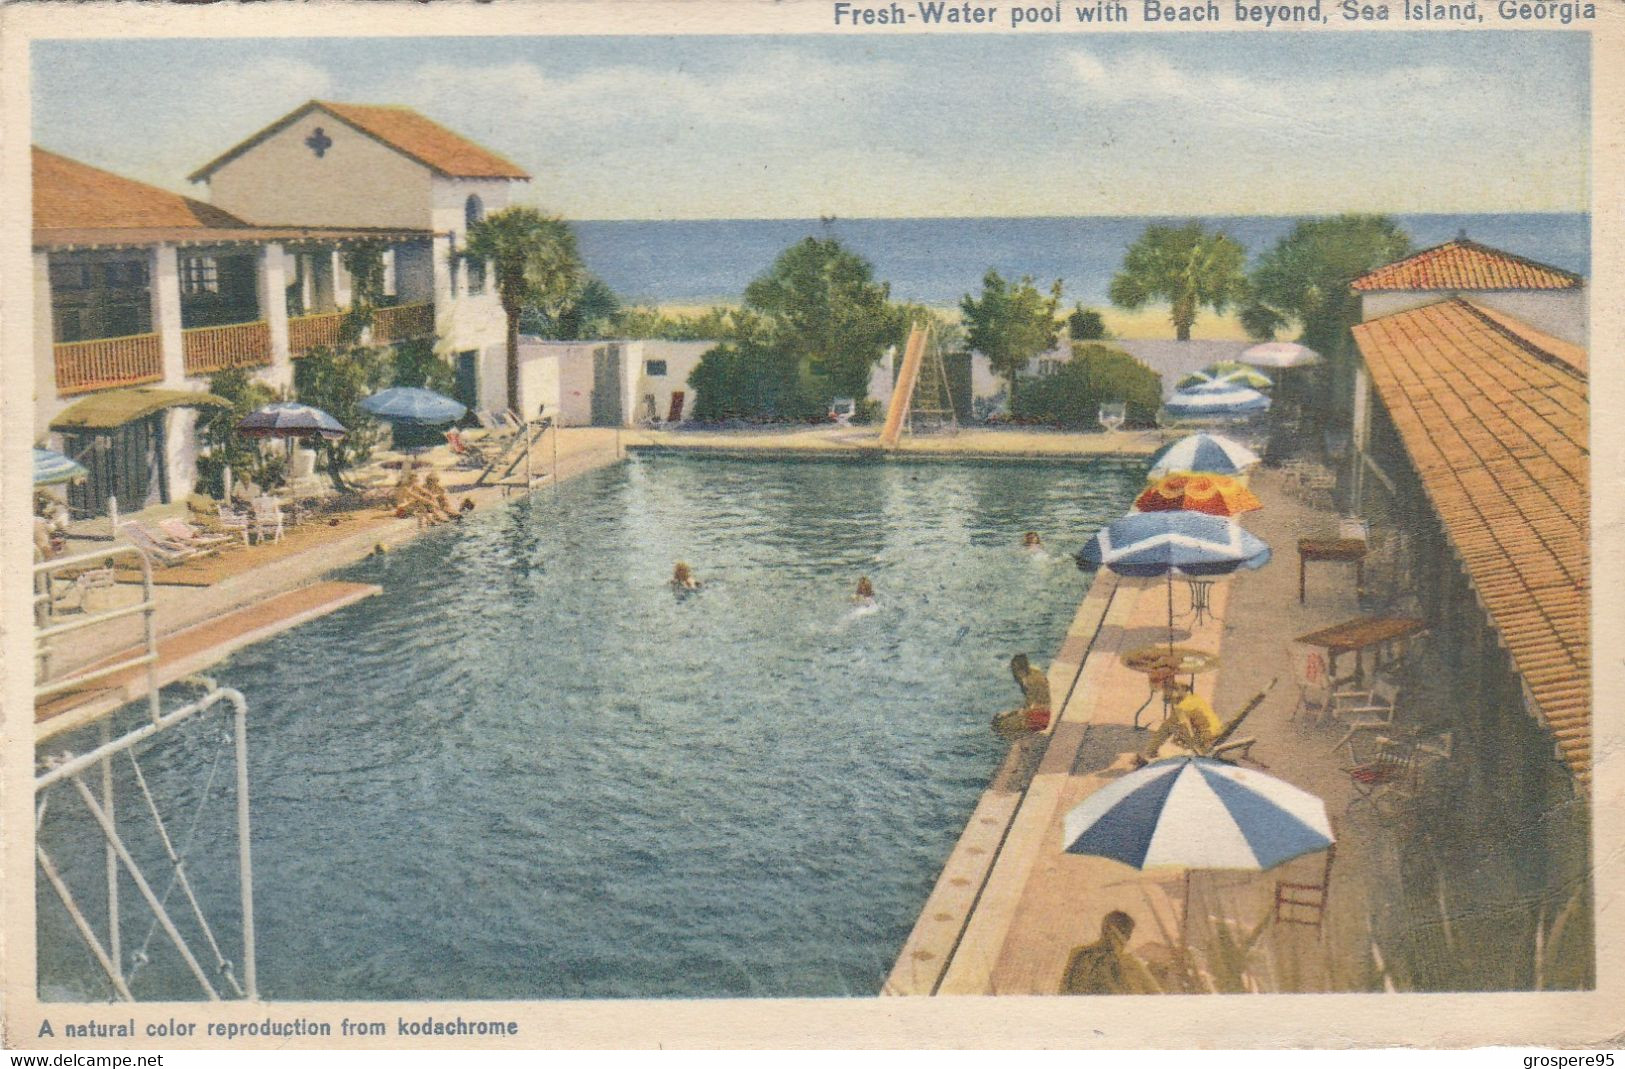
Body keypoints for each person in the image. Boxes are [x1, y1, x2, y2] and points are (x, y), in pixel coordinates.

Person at [1059, 911, 1161, 995]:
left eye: (1128, 934)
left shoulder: (1079, 953)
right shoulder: (1115, 961)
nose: (1127, 939)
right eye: (1125, 933)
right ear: (1109, 930)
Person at [1137, 677, 1223, 763]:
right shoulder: (1194, 698)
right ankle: (1151, 751)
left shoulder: (1182, 708)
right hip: (1214, 734)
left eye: (1166, 690)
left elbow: (1185, 731)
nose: (1164, 694)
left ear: (1177, 691)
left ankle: (1149, 754)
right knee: (1170, 726)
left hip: (1204, 739)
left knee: (1167, 731)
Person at [992, 653, 1052, 734]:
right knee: (1004, 719)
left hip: (1038, 719)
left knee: (1000, 725)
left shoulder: (1029, 682)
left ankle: (1022, 743)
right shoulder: (1035, 673)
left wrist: (1008, 714)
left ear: (1019, 670)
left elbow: (1027, 709)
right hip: (1043, 714)